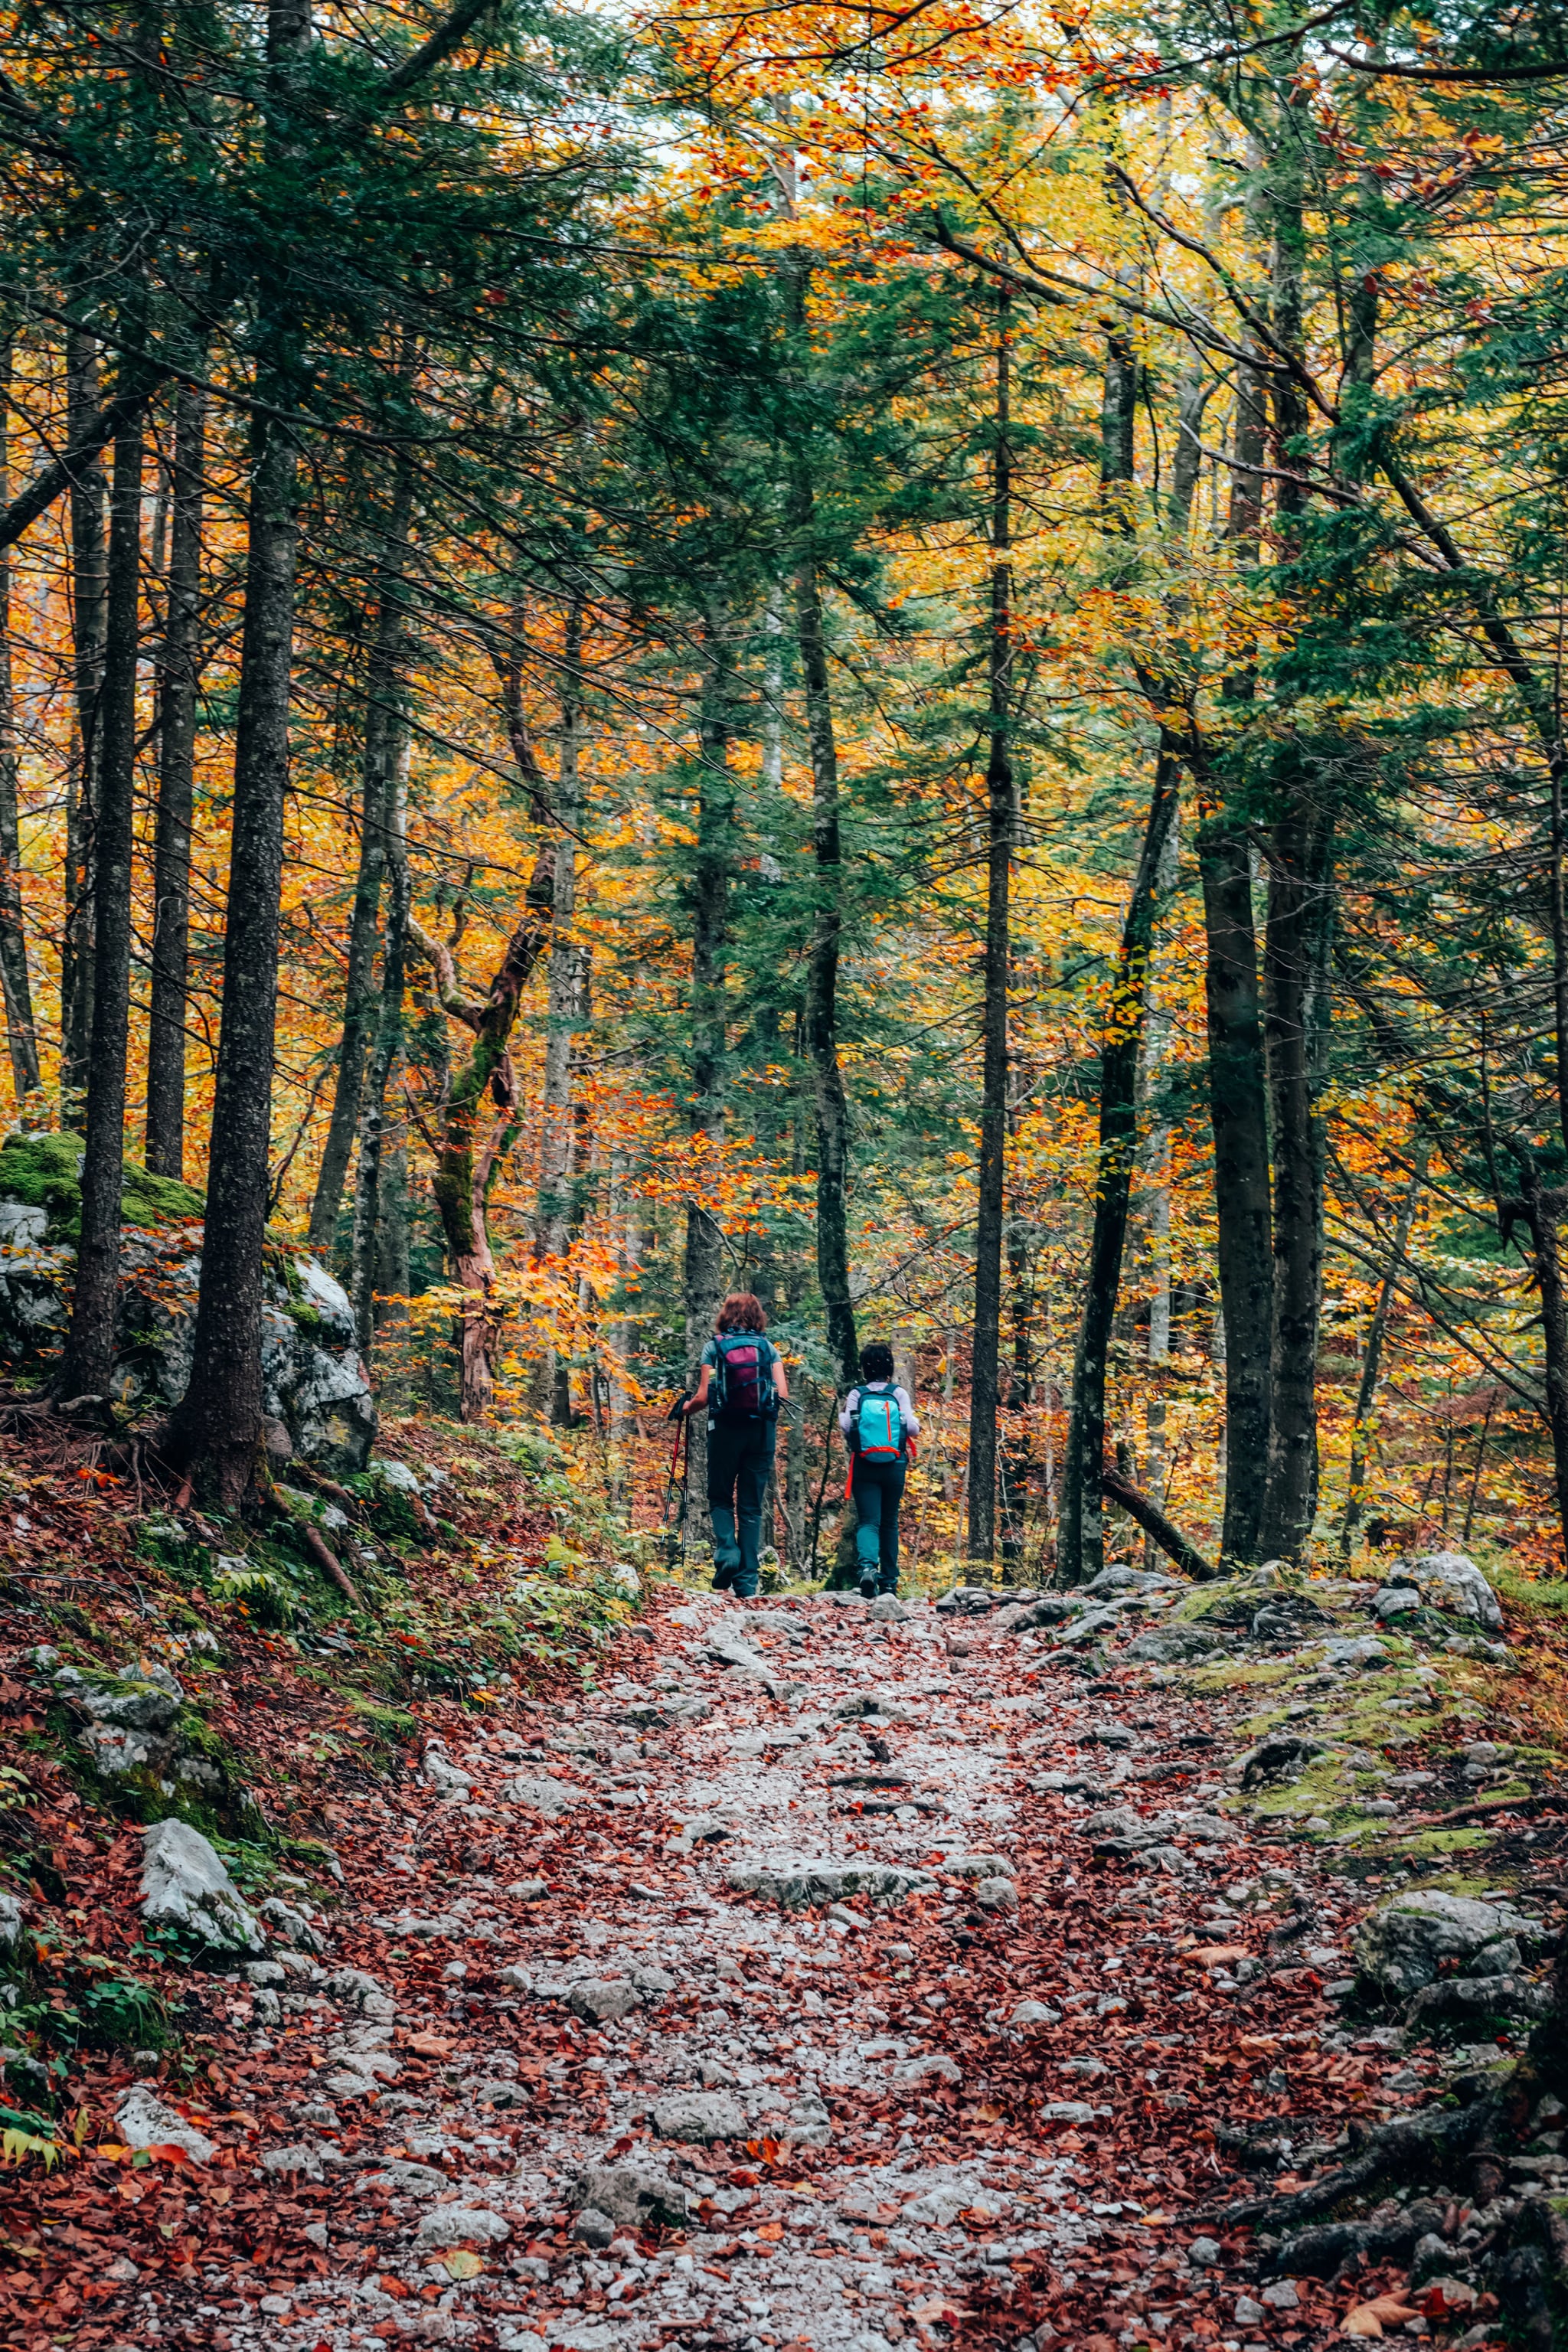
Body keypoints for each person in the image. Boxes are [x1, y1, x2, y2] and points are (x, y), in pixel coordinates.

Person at [684, 1292, 788, 1599]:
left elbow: (703, 1398)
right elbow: (781, 1393)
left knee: (719, 1496)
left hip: (725, 1429)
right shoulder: (768, 1348)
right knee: (751, 1507)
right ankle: (746, 1583)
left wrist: (686, 1408)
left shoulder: (713, 1348)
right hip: (761, 1432)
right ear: (757, 1316)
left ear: (726, 1315)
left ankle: (727, 1551)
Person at [841, 1341, 919, 1599]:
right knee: (889, 1522)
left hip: (864, 1463)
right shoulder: (898, 1394)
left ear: (864, 1367)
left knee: (868, 1522)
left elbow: (847, 1424)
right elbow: (912, 1429)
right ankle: (889, 1583)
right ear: (890, 1367)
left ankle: (867, 1569)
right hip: (895, 1464)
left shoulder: (857, 1394)